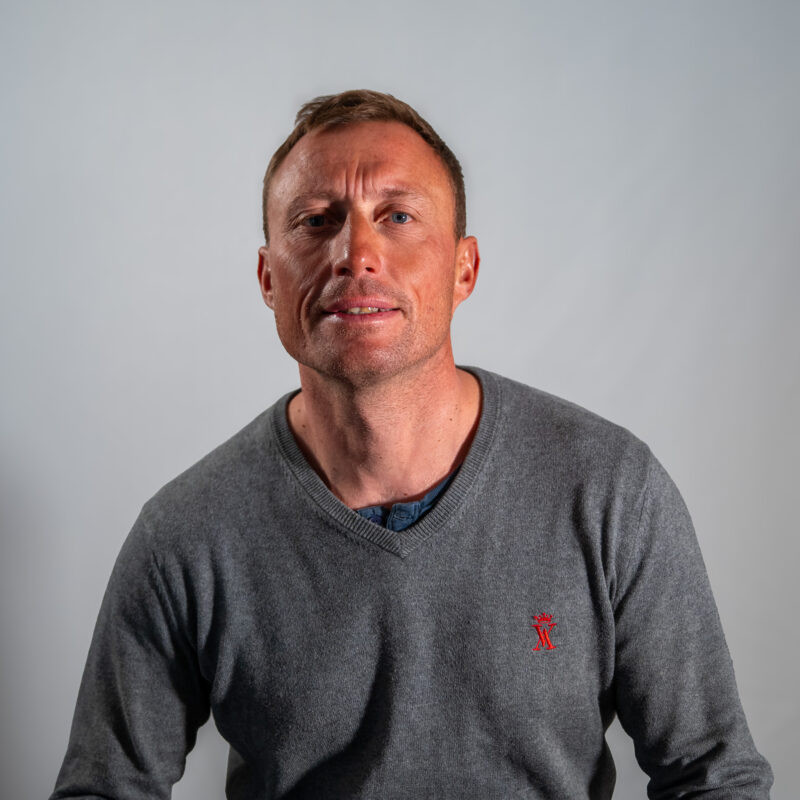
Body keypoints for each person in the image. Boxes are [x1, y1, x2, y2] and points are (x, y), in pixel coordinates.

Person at [50, 90, 772, 799]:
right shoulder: (186, 534)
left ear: (464, 269)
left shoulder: (610, 491)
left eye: (397, 216)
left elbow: (714, 779)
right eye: (315, 221)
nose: (356, 254)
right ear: (269, 279)